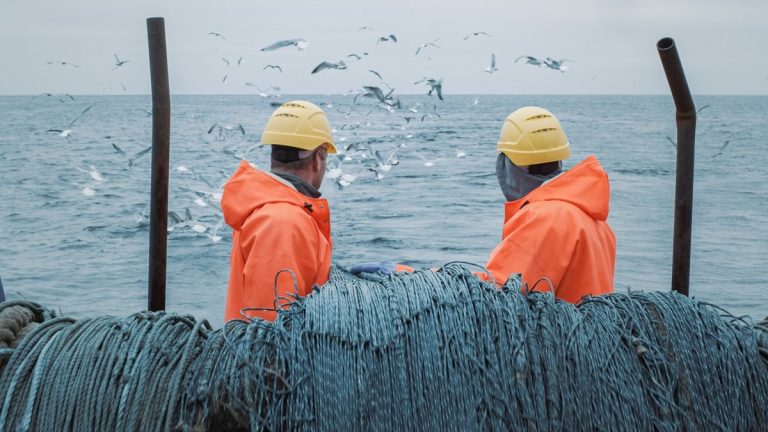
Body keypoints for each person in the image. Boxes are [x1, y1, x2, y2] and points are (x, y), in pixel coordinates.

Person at [485, 106, 616, 303]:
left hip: (559, 333)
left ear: (510, 165)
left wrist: (429, 279)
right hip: (588, 332)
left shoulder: (545, 218)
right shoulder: (594, 221)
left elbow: (498, 293)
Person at [222, 101, 335, 322]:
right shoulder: (283, 222)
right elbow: (272, 326)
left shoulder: (273, 208)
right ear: (319, 158)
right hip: (269, 355)